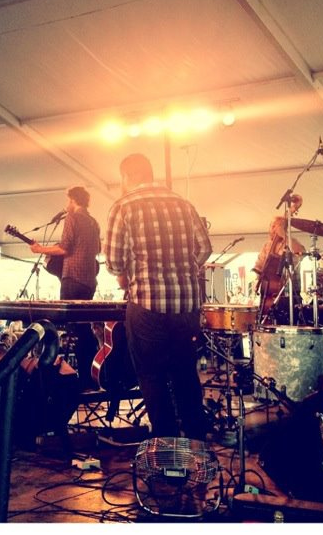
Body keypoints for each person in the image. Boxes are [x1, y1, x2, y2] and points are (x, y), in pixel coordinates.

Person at [104, 153, 212, 441]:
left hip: (147, 304)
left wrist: (131, 271)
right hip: (186, 305)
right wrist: (183, 268)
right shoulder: (184, 204)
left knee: (152, 377)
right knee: (185, 373)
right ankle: (196, 444)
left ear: (126, 176)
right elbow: (204, 248)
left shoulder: (123, 206)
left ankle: (167, 447)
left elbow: (113, 261)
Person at [28, 186, 102, 390]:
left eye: (68, 200)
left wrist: (40, 249)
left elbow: (64, 247)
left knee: (73, 330)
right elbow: (97, 249)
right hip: (88, 280)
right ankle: (90, 376)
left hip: (72, 278)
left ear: (73, 200)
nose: (67, 204)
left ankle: (76, 379)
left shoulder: (73, 218)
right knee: (84, 329)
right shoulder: (93, 222)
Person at [252, 194, 305, 321]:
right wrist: (257, 280)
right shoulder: (267, 246)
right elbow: (259, 265)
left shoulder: (290, 241)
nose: (272, 229)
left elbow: (301, 252)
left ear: (283, 227)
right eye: (271, 226)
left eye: (275, 226)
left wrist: (284, 236)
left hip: (289, 294)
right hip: (268, 293)